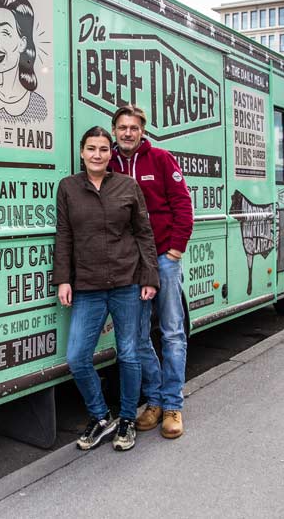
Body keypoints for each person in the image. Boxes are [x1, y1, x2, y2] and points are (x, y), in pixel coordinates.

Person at [54, 126, 159, 452]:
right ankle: (102, 417)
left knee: (128, 354)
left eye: (103, 149)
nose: (97, 154)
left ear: (110, 153)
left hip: (127, 284)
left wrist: (150, 277)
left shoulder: (128, 187)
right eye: (91, 149)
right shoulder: (68, 188)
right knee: (77, 357)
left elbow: (144, 234)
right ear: (82, 152)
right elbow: (64, 236)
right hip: (87, 286)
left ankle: (127, 418)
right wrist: (63, 279)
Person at [109, 104, 194, 439]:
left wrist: (174, 250)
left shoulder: (160, 159)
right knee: (139, 337)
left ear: (142, 131)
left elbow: (182, 204)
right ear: (114, 130)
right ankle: (155, 401)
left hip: (162, 258)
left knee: (172, 332)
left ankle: (173, 406)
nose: (128, 133)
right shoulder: (109, 164)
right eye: (122, 127)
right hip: (130, 265)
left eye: (134, 127)